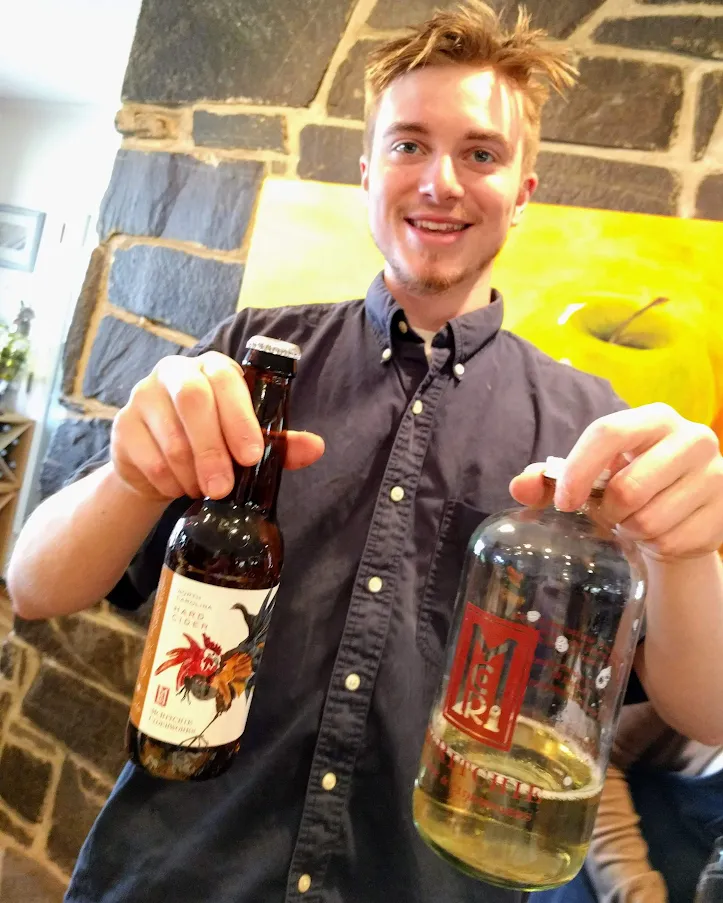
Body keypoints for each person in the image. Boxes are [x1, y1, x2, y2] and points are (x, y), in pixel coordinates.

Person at [7, 3, 723, 902]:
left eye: (480, 154)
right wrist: (128, 475)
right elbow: (34, 585)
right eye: (408, 145)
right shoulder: (244, 356)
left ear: (524, 189)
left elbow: (707, 711)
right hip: (178, 872)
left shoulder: (594, 428)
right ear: (366, 170)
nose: (440, 182)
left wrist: (690, 551)